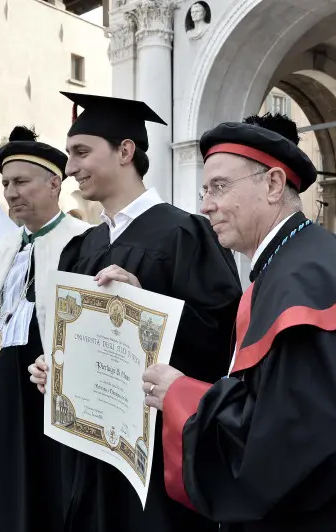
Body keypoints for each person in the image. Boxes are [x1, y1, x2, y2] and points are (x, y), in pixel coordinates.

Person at [140, 113, 336, 531]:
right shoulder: (300, 262)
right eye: (204, 190)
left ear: (272, 185)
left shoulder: (299, 282)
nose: (204, 205)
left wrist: (183, 396)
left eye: (219, 186)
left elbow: (298, 442)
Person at [29, 92, 242, 532]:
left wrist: (146, 305)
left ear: (125, 151)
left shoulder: (185, 233)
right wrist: (58, 369)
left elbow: (223, 338)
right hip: (93, 446)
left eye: (81, 152)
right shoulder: (86, 245)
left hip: (157, 454)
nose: (70, 169)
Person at [0, 126, 90, 532]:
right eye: (6, 183)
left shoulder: (86, 243)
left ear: (53, 184)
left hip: (50, 403)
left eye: (21, 182)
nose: (11, 192)